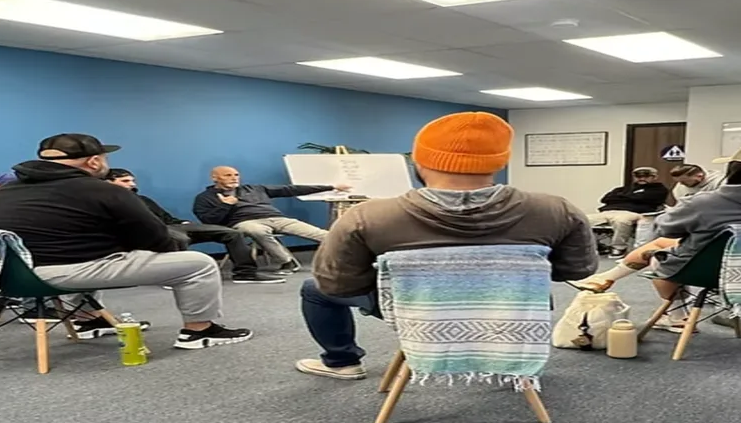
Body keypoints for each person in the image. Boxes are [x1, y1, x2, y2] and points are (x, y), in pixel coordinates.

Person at [294, 112, 597, 380]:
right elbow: (575, 270)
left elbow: (339, 285)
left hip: (422, 315)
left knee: (314, 289)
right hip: (513, 313)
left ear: (420, 160)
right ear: (499, 162)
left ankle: (342, 362)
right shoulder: (555, 210)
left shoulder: (368, 216)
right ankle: (504, 356)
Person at [0, 133, 252, 349]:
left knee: (85, 254)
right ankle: (199, 331)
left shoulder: (1, 192)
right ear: (94, 161)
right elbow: (156, 237)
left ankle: (88, 320)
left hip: (9, 277)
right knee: (198, 264)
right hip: (63, 274)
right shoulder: (103, 190)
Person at [567, 143, 741, 304]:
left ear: (736, 170)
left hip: (716, 271)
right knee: (666, 243)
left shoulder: (709, 202)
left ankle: (676, 316)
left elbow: (665, 227)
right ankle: (605, 277)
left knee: (656, 253)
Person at [105, 168, 283, 284]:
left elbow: (166, 217)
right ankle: (177, 277)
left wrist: (181, 222)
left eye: (132, 181)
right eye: (125, 181)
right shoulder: (109, 202)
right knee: (179, 238)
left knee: (231, 232)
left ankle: (246, 273)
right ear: (108, 183)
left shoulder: (142, 199)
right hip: (149, 233)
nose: (132, 185)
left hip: (172, 226)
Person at [192, 167, 350, 274]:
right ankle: (287, 261)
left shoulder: (254, 189)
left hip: (276, 218)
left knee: (320, 234)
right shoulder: (205, 198)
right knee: (255, 230)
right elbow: (209, 221)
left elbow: (291, 189)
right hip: (245, 222)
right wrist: (225, 206)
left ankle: (355, 255)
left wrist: (331, 187)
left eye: (236, 175)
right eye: (228, 175)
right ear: (214, 177)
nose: (234, 178)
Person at [587, 167, 669, 256]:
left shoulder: (659, 190)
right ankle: (595, 246)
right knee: (584, 220)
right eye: (638, 176)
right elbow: (605, 199)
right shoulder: (623, 188)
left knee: (621, 221)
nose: (642, 178)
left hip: (634, 213)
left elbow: (645, 198)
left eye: (646, 176)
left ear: (654, 177)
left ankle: (619, 247)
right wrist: (632, 196)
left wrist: (622, 196)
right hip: (608, 211)